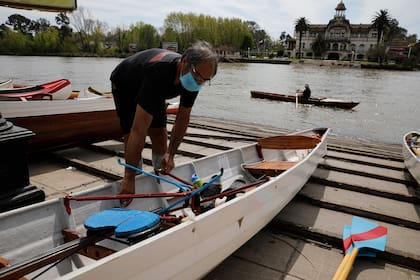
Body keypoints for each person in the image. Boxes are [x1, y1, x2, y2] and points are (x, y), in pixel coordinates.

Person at [110, 41, 218, 205]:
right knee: (132, 132)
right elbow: (139, 130)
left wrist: (171, 154)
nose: (198, 82)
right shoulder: (158, 71)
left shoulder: (194, 80)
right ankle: (133, 178)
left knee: (160, 133)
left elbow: (182, 118)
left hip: (156, 88)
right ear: (184, 61)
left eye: (204, 80)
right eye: (196, 76)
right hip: (126, 83)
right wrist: (128, 177)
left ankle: (159, 177)